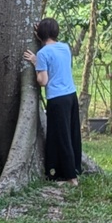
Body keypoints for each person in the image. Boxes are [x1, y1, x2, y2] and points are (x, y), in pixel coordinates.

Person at [22, 17, 81, 185]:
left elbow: (43, 80)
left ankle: (71, 178)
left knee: (61, 137)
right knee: (71, 133)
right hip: (71, 95)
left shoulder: (42, 54)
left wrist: (35, 62)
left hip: (57, 99)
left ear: (39, 35)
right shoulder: (65, 47)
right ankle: (72, 169)